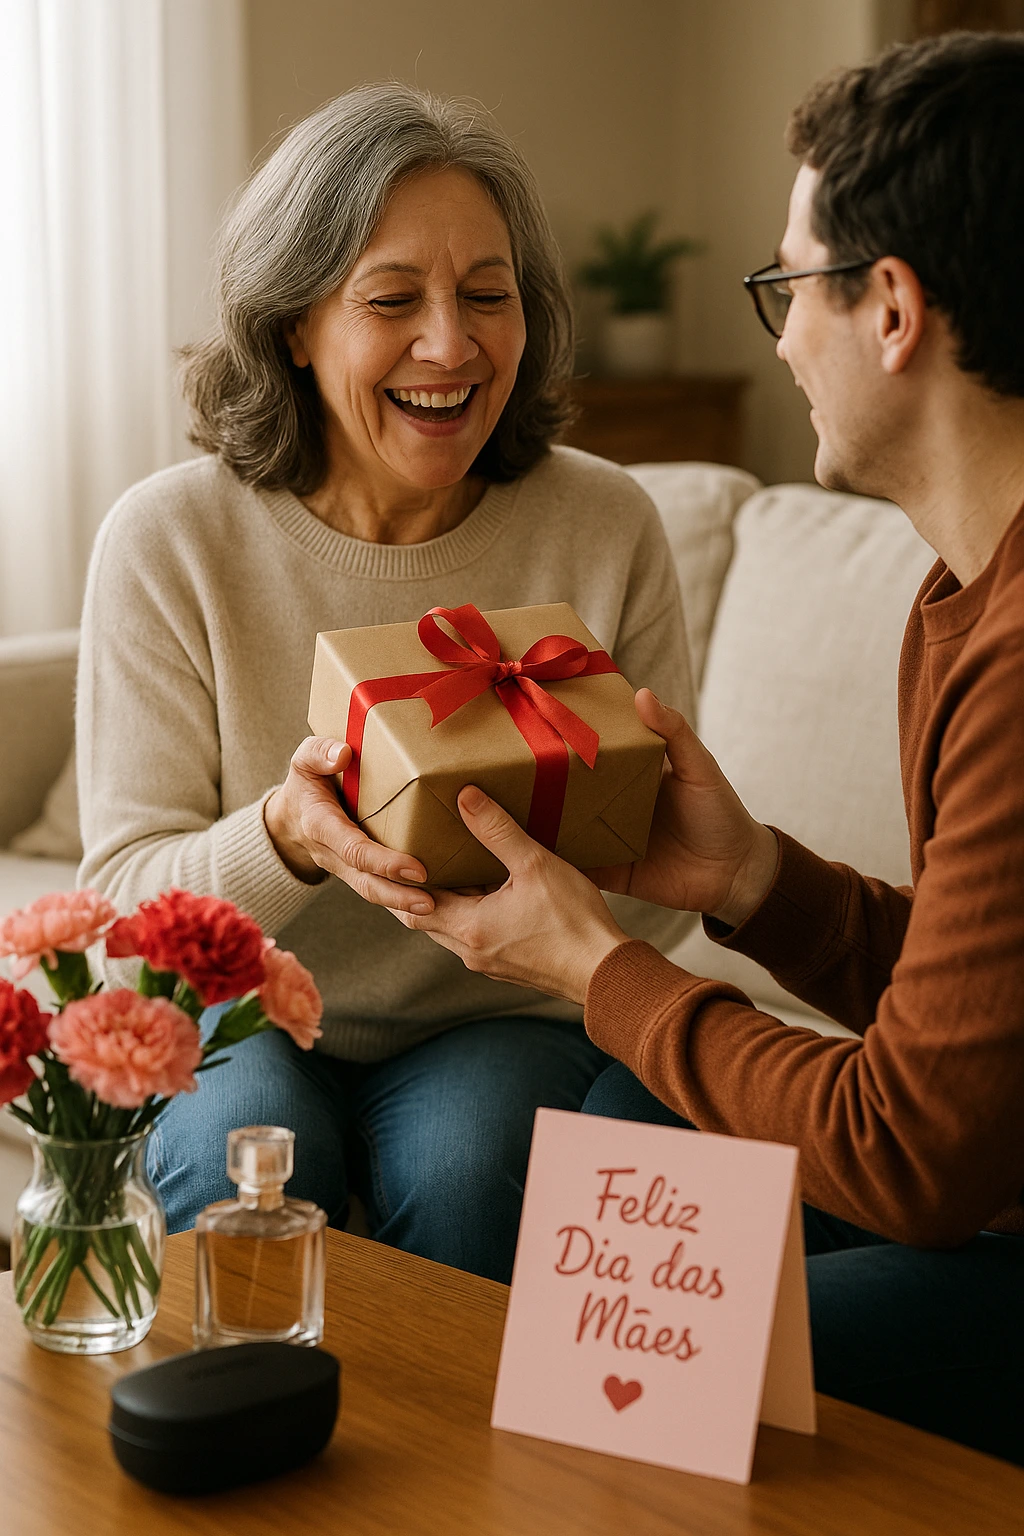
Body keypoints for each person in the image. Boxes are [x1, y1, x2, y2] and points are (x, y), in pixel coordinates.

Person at [391, 33, 1024, 1461]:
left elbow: (914, 1149)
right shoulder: (960, 597)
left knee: (611, 1373)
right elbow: (975, 1025)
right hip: (979, 1180)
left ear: (894, 309)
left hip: (973, 1210)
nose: (783, 334)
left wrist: (590, 967)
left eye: (788, 286)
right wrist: (751, 880)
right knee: (618, 1169)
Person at [77, 83, 693, 1284]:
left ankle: (458, 1474)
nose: (450, 346)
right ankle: (246, 1438)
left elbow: (658, 895)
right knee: (247, 1146)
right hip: (242, 1004)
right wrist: (284, 839)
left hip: (496, 1018)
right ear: (295, 325)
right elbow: (118, 922)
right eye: (391, 300)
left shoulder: (605, 525)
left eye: (486, 296)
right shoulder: (169, 539)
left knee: (466, 1172)